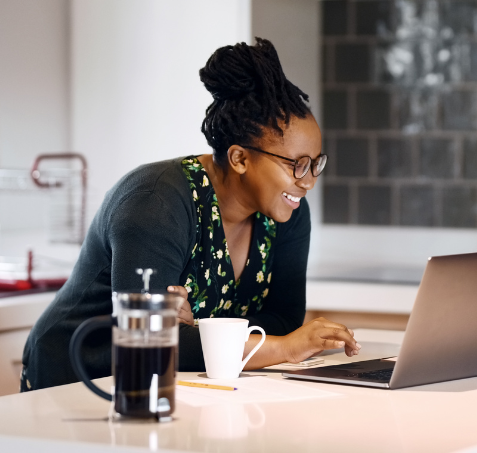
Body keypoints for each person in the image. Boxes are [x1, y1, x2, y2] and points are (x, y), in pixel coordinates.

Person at [21, 38, 360, 391]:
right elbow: (148, 341)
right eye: (297, 165)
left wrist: (195, 328)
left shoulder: (286, 211)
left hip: (176, 387)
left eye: (315, 164)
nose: (308, 182)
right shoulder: (155, 203)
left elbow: (283, 318)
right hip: (77, 378)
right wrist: (283, 348)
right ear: (240, 158)